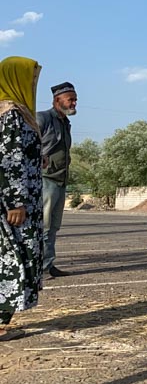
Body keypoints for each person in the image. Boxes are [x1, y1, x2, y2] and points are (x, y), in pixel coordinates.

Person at [0, 56, 45, 340]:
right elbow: (10, 160)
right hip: (17, 204)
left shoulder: (15, 112)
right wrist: (16, 202)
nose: (33, 83)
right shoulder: (12, 114)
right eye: (30, 77)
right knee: (12, 259)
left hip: (23, 198)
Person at [37, 80, 77, 278]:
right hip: (45, 180)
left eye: (75, 100)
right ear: (57, 100)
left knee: (53, 226)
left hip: (60, 180)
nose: (74, 103)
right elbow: (29, 143)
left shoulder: (65, 123)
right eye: (71, 99)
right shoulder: (42, 118)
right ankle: (37, 268)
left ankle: (47, 265)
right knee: (43, 225)